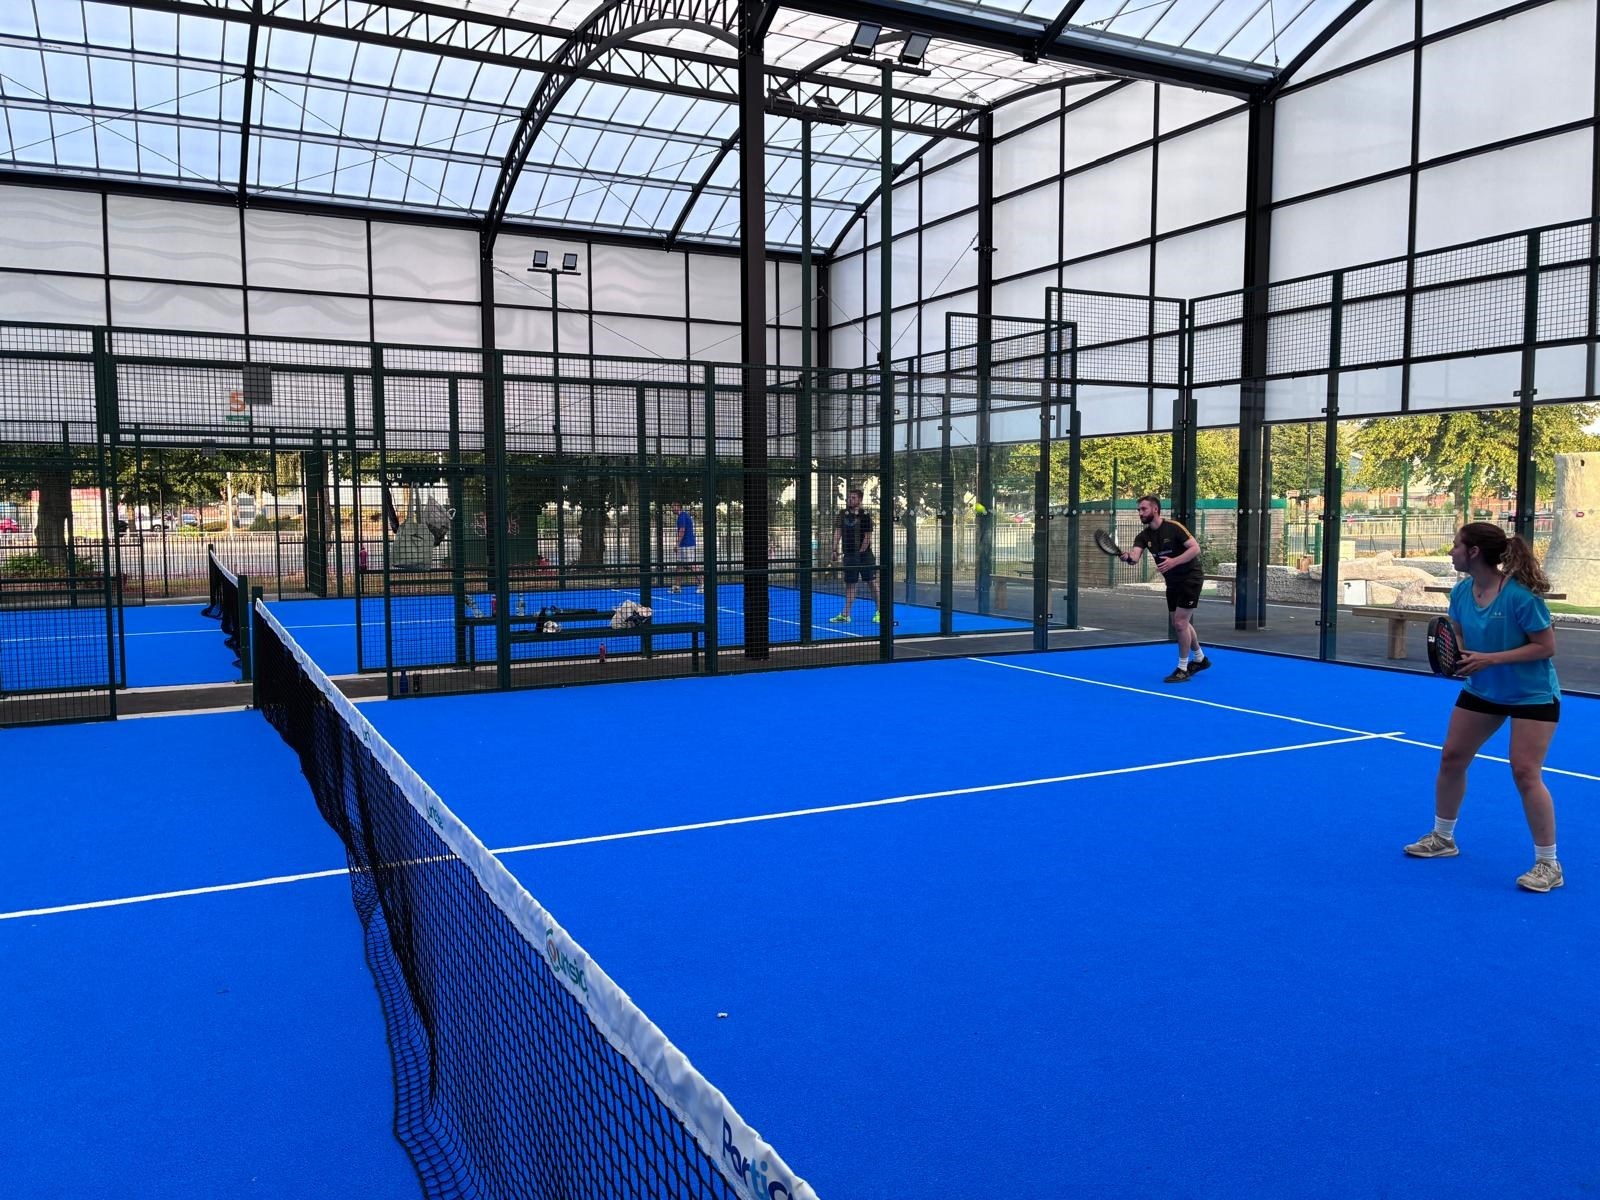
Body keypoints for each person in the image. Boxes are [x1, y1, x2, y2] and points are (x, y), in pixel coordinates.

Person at [1403, 523, 1563, 893]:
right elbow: (1458, 632)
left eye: (1456, 545)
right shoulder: (1461, 591)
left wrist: (1490, 659)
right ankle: (1443, 839)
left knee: (1525, 773)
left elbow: (1545, 647)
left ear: (1473, 551)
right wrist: (1457, 654)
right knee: (1452, 757)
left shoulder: (1521, 597)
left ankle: (1548, 863)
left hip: (1532, 695)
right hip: (1483, 690)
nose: (1451, 552)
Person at [1118, 494, 1209, 683]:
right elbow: (1135, 557)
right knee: (1179, 622)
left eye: (1143, 509)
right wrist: (1127, 557)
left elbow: (1195, 548)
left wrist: (1174, 561)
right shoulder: (1143, 536)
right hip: (1172, 583)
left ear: (1155, 509)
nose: (1140, 513)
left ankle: (1183, 668)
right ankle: (1200, 658)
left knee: (1180, 623)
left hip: (1190, 578)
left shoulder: (1174, 528)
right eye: (1139, 510)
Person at [829, 488, 880, 624]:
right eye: (849, 498)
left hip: (865, 556)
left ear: (860, 500)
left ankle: (881, 611)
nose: (850, 500)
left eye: (853, 498)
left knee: (872, 583)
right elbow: (837, 532)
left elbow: (867, 537)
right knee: (850, 585)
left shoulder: (865, 515)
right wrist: (834, 549)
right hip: (849, 556)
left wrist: (860, 552)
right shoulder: (842, 514)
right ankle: (845, 615)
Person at [670, 501, 701, 593]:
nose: (672, 508)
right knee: (679, 565)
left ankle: (703, 584)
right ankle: (677, 587)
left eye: (673, 506)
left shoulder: (682, 516)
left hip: (687, 544)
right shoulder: (681, 516)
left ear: (678, 506)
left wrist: (677, 544)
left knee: (692, 565)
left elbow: (682, 530)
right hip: (684, 544)